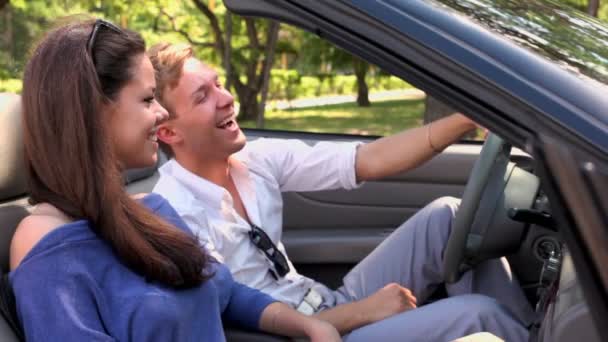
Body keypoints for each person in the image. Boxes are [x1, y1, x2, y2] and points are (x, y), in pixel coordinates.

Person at [149, 43, 534, 341]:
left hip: (327, 301)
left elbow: (367, 159)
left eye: (218, 83)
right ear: (168, 132)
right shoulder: (174, 213)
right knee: (480, 315)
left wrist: (467, 119)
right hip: (308, 333)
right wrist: (364, 312)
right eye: (203, 96)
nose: (226, 97)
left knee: (448, 218)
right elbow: (234, 314)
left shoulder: (255, 159)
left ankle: (534, 330)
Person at [9, 18, 341, 341]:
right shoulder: (44, 240)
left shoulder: (149, 211)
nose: (162, 114)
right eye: (147, 99)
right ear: (92, 112)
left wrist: (310, 326)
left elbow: (225, 292)